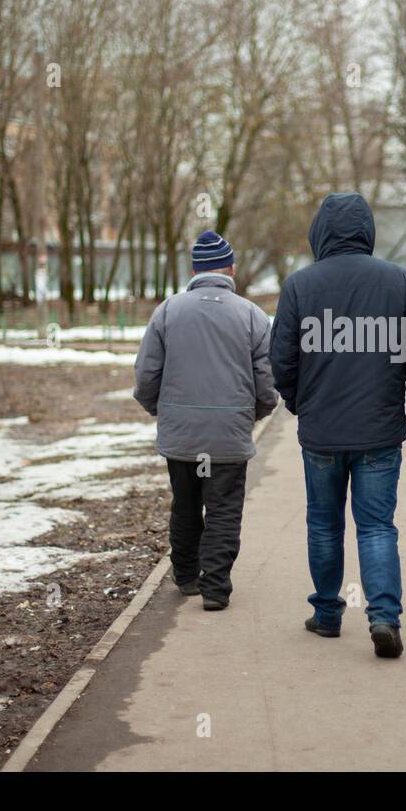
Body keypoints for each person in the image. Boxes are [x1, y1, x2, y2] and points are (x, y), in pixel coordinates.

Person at [269, 192, 406, 659]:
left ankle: (327, 615)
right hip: (380, 430)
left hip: (322, 430)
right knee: (377, 526)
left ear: (319, 233)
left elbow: (280, 360)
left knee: (323, 524)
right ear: (367, 232)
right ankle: (383, 617)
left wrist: (299, 402)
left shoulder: (299, 286)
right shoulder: (395, 281)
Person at [134, 231, 277, 611]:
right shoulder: (252, 315)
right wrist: (254, 414)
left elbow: (147, 375)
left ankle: (185, 575)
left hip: (182, 435)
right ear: (230, 268)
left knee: (186, 503)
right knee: (224, 508)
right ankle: (215, 586)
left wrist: (160, 411)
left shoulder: (167, 311)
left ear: (193, 269)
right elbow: (266, 383)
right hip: (228, 434)